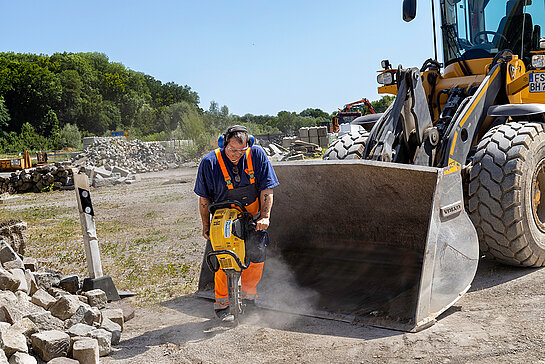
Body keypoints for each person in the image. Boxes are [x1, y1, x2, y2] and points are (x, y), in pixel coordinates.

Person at [194, 125, 279, 321]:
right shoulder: (209, 162)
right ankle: (223, 304)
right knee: (224, 259)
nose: (236, 155)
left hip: (251, 217)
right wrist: (206, 226)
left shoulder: (256, 155)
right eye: (232, 150)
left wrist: (264, 217)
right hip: (223, 217)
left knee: (256, 257)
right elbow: (204, 200)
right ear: (223, 143)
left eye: (241, 151)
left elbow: (267, 189)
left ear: (248, 145)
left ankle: (248, 297)